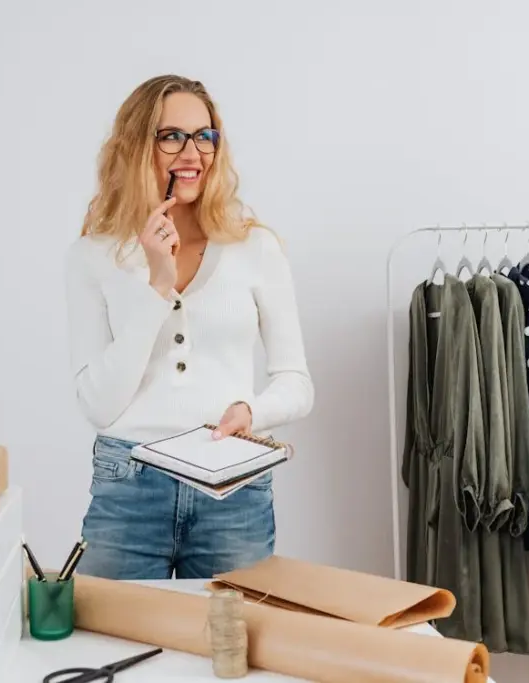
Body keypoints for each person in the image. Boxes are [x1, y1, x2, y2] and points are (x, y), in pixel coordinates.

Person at [64, 74, 314, 580]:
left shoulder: (254, 248)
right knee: (111, 651)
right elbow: (98, 403)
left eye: (204, 136)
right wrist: (157, 283)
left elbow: (297, 384)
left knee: (235, 650)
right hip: (128, 485)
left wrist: (252, 410)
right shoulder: (93, 255)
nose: (192, 153)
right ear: (137, 148)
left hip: (233, 488)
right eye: (171, 136)